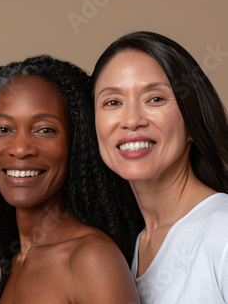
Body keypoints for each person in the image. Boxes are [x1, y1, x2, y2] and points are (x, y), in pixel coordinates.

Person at [0, 55, 141, 303]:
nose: (21, 148)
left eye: (45, 130)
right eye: (3, 129)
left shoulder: (91, 259)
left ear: (76, 143)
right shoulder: (13, 263)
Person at [92, 31, 228, 303]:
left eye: (155, 99)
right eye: (113, 102)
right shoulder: (129, 248)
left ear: (193, 122)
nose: (131, 120)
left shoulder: (222, 232)